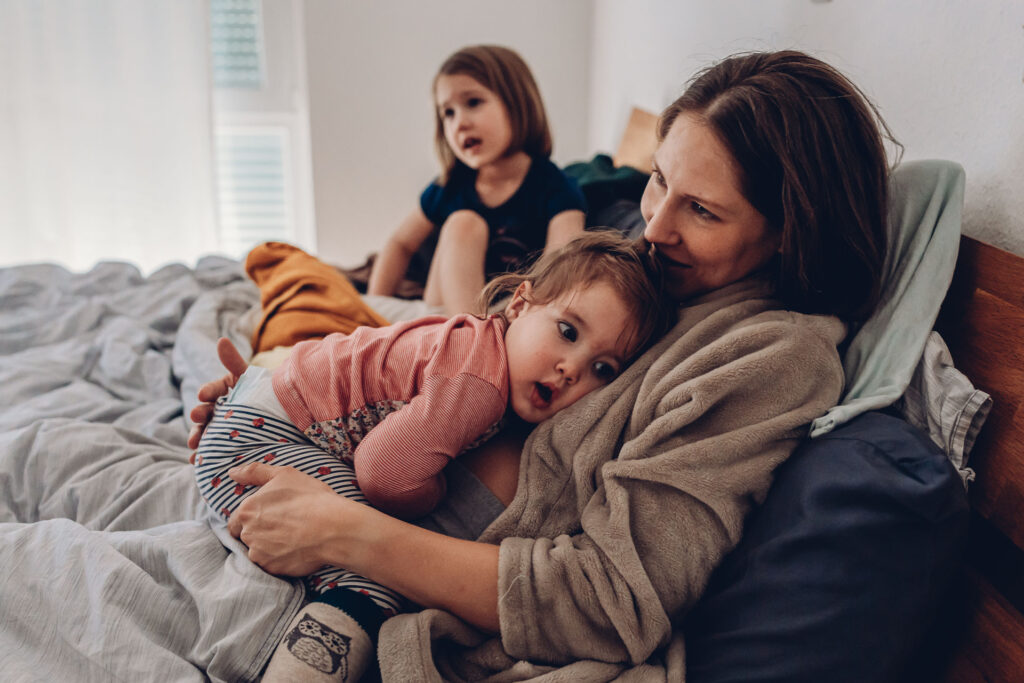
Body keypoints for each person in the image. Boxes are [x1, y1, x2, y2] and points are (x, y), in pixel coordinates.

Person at [0, 49, 898, 682]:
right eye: (656, 181)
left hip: (371, 582)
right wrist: (293, 409)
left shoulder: (768, 354)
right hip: (333, 492)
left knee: (33, 573)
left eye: (699, 208)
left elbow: (614, 599)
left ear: (791, 232)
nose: (653, 227)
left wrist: (343, 532)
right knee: (46, 452)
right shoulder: (663, 282)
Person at [194, 231, 675, 682]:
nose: (572, 369)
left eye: (602, 368)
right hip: (262, 437)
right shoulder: (478, 386)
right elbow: (383, 473)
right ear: (521, 303)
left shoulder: (474, 344)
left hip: (257, 410)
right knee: (365, 586)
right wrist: (433, 488)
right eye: (568, 331)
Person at [366, 44, 587, 315]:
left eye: (473, 103)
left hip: (510, 313)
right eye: (448, 112)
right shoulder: (450, 186)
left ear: (517, 104)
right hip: (444, 313)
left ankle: (475, 338)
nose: (459, 123)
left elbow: (563, 268)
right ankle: (470, 334)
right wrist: (374, 307)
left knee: (553, 269)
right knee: (464, 223)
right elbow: (400, 243)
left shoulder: (555, 186)